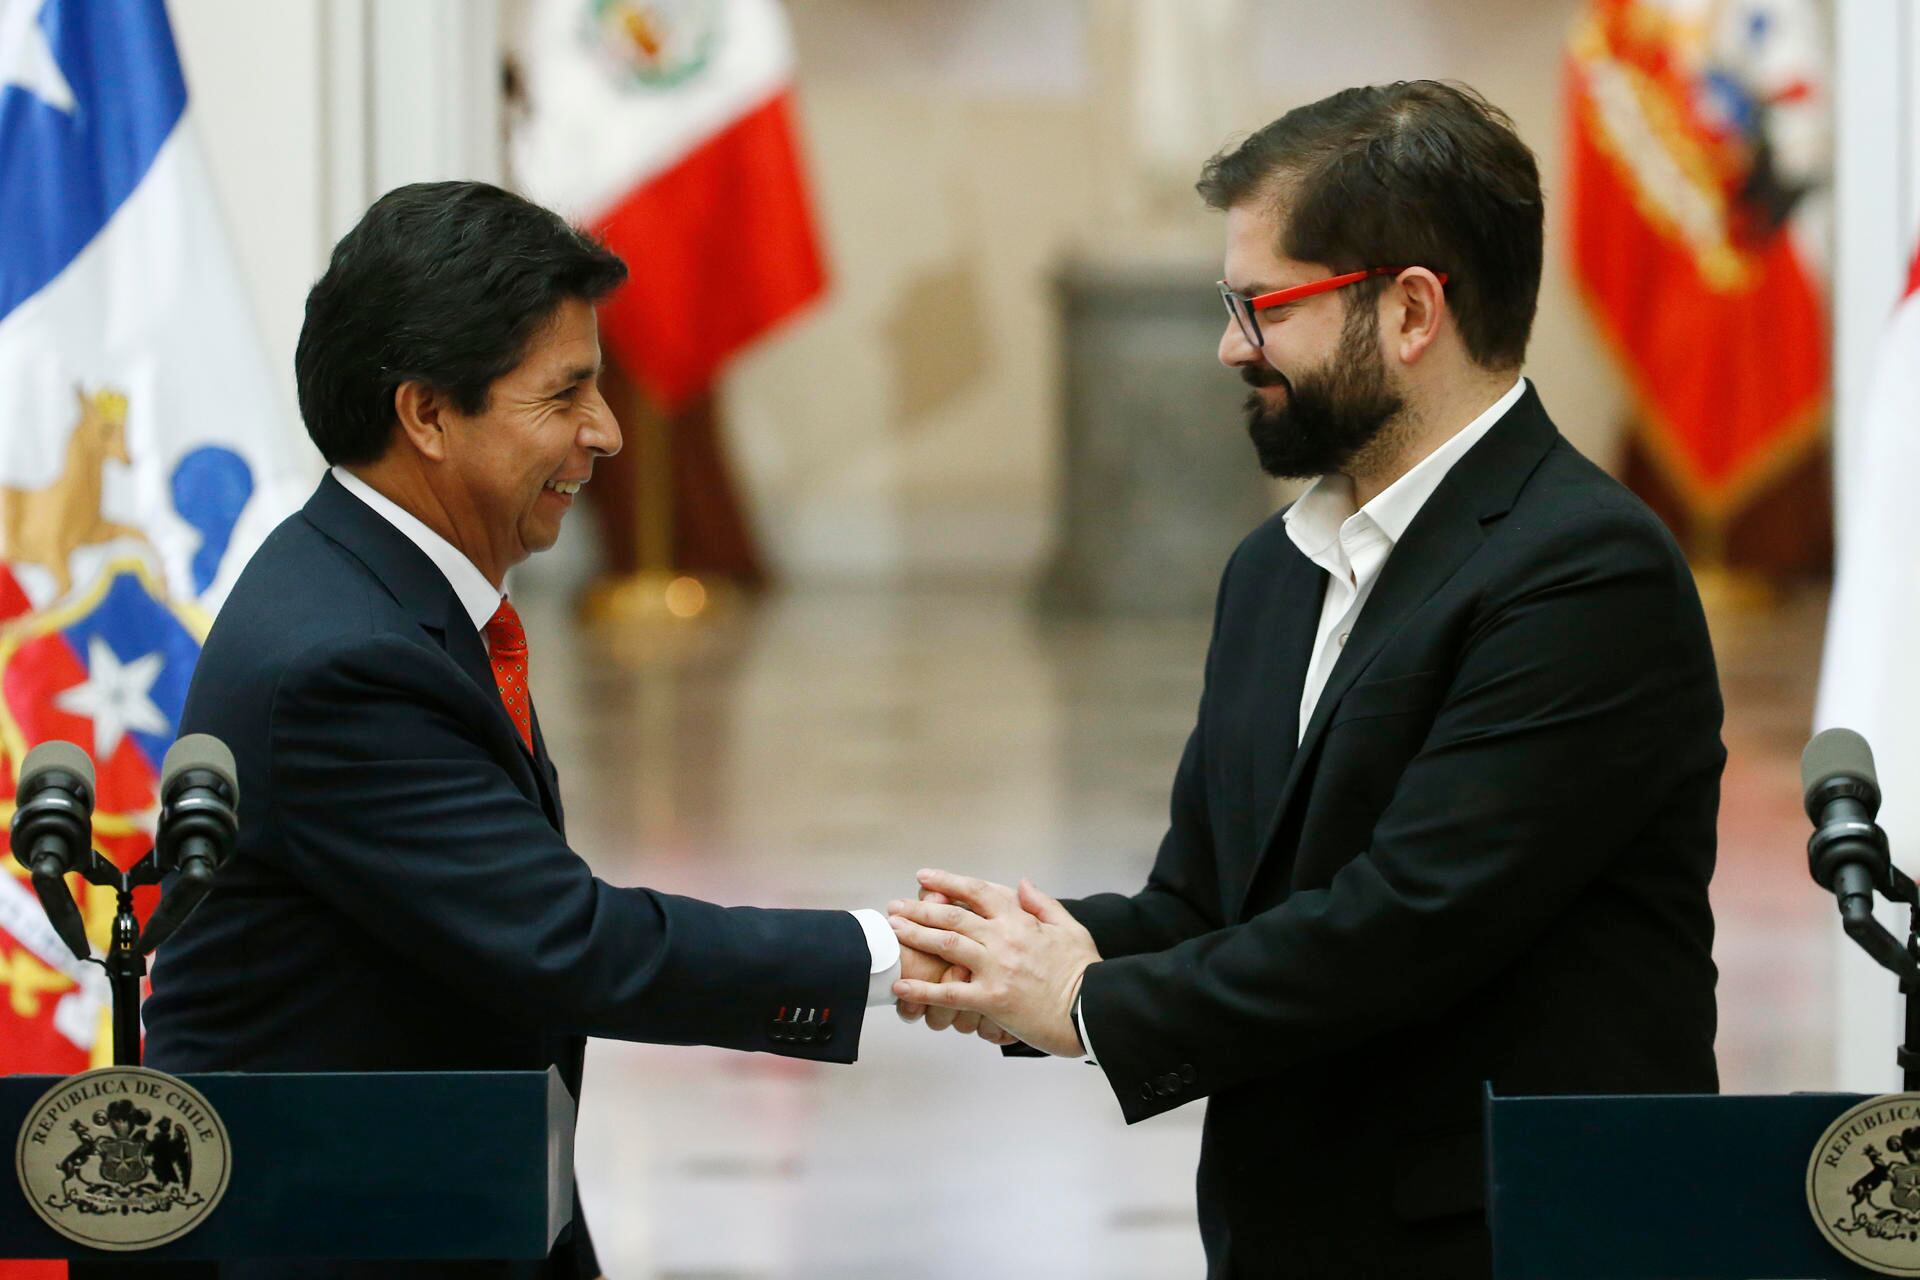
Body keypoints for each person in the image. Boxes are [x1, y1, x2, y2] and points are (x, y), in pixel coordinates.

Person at [889, 81, 1723, 1279]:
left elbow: (1406, 921)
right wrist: (1002, 951)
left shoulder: (1585, 569)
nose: (1231, 344)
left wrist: (1084, 1004)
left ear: (1412, 311)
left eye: (1261, 304)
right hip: (1293, 1231)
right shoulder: (1274, 569)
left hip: (1507, 1234)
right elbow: (1213, 903)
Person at [142, 181, 942, 1280]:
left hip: (450, 1188)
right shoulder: (344, 658)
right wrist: (902, 952)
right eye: (565, 394)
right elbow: (572, 943)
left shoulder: (383, 589)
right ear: (425, 413)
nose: (605, 433)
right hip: (341, 1230)